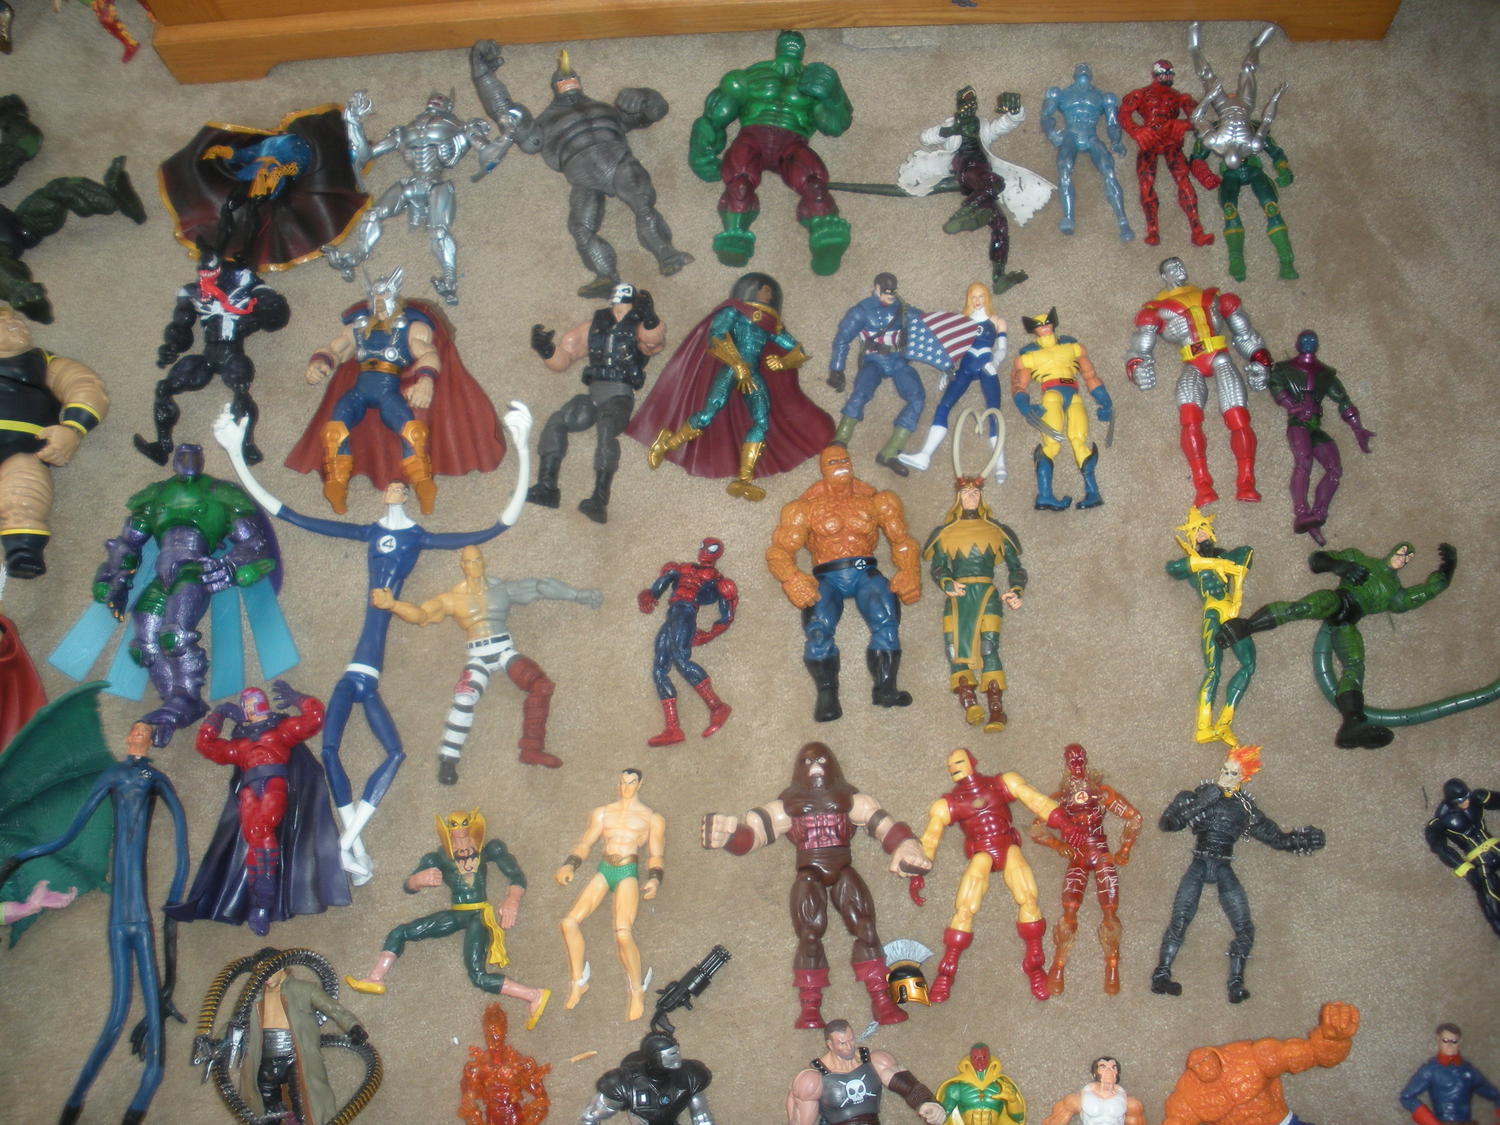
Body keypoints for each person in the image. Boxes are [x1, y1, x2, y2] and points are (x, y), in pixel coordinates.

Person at [213, 402, 530, 882]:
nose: (394, 486)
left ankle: (346, 846)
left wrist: (523, 449)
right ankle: (352, 846)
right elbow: (288, 513)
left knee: (388, 753)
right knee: (335, 752)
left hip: (366, 667)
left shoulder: (418, 538)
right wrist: (236, 455)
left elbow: (497, 526)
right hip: (361, 670)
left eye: (402, 482)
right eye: (390, 483)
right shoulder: (368, 531)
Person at [0, 721, 190, 1125]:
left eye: (143, 732)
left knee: (154, 1048)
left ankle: (134, 1104)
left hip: (140, 917)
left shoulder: (155, 778)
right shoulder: (114, 775)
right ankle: (74, 1104)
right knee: (116, 1016)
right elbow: (69, 833)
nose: (137, 736)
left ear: (149, 740)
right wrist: (23, 856)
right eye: (134, 731)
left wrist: (176, 896)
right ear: (128, 737)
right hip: (121, 918)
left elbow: (181, 840)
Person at [702, 742, 931, 1029]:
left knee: (866, 929)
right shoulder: (786, 808)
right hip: (808, 871)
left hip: (843, 868)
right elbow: (753, 836)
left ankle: (881, 999)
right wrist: (730, 836)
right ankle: (810, 1007)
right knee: (809, 935)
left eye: (821, 761)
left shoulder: (853, 802)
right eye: (808, 762)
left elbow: (884, 825)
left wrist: (906, 845)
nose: (815, 768)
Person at [471, 43, 693, 297]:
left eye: (571, 77)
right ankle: (606, 276)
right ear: (554, 87)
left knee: (644, 206)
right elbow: (505, 113)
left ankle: (667, 254)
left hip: (619, 160)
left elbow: (654, 112)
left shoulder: (607, 110)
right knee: (581, 228)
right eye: (561, 80)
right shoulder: (543, 124)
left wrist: (645, 96)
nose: (567, 79)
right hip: (583, 178)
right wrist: (483, 75)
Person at [374, 544, 601, 783]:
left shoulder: (501, 590)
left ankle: (531, 750)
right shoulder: (452, 599)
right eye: (469, 561)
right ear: (462, 565)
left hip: (504, 650)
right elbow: (421, 614)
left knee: (541, 685)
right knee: (463, 700)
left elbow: (540, 587)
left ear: (484, 562)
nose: (474, 565)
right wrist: (393, 605)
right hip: (478, 656)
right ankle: (448, 761)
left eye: (478, 560)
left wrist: (578, 595)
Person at [293, 266, 503, 515]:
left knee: (413, 433)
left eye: (384, 296)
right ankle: (336, 485)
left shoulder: (411, 327)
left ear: (394, 297)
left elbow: (428, 354)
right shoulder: (358, 327)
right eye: (375, 296)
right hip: (359, 391)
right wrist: (320, 363)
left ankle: (423, 484)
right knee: (334, 432)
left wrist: (425, 381)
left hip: (388, 391)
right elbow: (336, 350)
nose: (379, 302)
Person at [1216, 540, 1455, 749]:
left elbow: (1425, 593)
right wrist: (1341, 566)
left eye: (1408, 558)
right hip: (1337, 600)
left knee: (1355, 664)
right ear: (1394, 550)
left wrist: (1448, 568)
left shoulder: (1394, 592)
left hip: (1348, 623)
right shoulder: (1360, 559)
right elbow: (1317, 560)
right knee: (1302, 607)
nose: (1403, 558)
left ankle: (1352, 722)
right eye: (1402, 552)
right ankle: (1245, 627)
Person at [1151, 745, 1325, 1003]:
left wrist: (1302, 841)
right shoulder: (1198, 795)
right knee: (1180, 918)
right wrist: (1202, 802)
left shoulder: (1246, 810)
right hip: (1201, 860)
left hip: (1223, 864)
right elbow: (1169, 823)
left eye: (1233, 773)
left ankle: (1236, 982)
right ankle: (1161, 974)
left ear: (1244, 777)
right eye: (1224, 770)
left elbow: (1277, 838)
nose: (1225, 777)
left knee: (1244, 926)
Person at [345, 808, 551, 1026]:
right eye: (454, 826)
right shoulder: (438, 857)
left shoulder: (488, 849)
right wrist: (418, 879)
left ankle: (534, 995)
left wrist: (512, 899)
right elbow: (409, 886)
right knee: (400, 932)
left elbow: (516, 875)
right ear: (447, 830)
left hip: (479, 914)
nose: (460, 831)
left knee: (478, 976)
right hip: (458, 913)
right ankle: (375, 978)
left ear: (472, 825)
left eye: (464, 825)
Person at [633, 272, 826, 501]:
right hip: (732, 368)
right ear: (752, 290)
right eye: (764, 290)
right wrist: (738, 366)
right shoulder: (734, 311)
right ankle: (666, 444)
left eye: (769, 292)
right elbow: (716, 337)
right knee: (708, 413)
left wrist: (783, 362)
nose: (768, 295)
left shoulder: (771, 323)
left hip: (752, 373)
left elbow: (799, 351)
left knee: (761, 421)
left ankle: (744, 478)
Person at [767, 445, 922, 722]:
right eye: (832, 462)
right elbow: (779, 551)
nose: (840, 465)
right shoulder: (804, 508)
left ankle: (886, 687)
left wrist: (910, 570)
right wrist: (792, 578)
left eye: (844, 460)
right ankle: (827, 694)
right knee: (818, 629)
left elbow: (902, 541)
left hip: (865, 571)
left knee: (887, 619)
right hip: (827, 575)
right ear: (822, 469)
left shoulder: (877, 501)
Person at [689, 30, 853, 274]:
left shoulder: (812, 81)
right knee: (739, 186)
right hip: (752, 138)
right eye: (787, 40)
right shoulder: (750, 77)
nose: (792, 43)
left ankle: (825, 236)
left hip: (793, 142)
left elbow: (835, 125)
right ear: (778, 46)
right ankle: (734, 237)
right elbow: (715, 115)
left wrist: (834, 95)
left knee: (815, 187)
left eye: (797, 42)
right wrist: (702, 152)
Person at [920, 747, 1068, 1001]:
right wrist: (918, 870)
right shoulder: (949, 803)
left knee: (1028, 897)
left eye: (958, 761)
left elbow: (1036, 800)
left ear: (972, 761)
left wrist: (1065, 824)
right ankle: (946, 971)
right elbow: (931, 837)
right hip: (982, 851)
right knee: (965, 906)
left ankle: (1035, 966)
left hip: (1007, 846)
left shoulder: (1001, 784)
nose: (953, 767)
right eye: (950, 765)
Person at [1126, 256, 1272, 507]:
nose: (1179, 269)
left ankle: (1247, 481)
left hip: (1220, 357)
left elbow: (1245, 333)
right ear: (1164, 276)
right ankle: (1202, 485)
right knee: (1189, 419)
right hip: (1192, 361)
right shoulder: (1156, 310)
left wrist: (1261, 360)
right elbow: (1139, 348)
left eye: (1180, 265)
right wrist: (1137, 368)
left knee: (1238, 417)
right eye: (1172, 268)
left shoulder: (1213, 298)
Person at [135, 247, 287, 468]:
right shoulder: (192, 292)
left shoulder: (246, 284)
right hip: (207, 355)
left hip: (233, 352)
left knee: (241, 393)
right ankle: (162, 445)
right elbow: (181, 327)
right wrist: (172, 346)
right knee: (164, 388)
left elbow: (276, 317)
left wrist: (267, 308)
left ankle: (246, 445)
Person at [528, 283, 667, 522]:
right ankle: (546, 486)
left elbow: (652, 342)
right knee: (558, 420)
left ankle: (599, 500)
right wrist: (547, 350)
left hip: (619, 395)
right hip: (593, 394)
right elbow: (566, 355)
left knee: (606, 427)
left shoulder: (639, 326)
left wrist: (650, 318)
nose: (620, 306)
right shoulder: (594, 326)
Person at [0, 300, 108, 577]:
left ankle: (23, 550)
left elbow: (83, 385)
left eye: (15, 319)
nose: (16, 324)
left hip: (21, 448)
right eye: (4, 322)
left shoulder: (42, 362)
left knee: (24, 491)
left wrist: (73, 428)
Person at [1028, 744, 1142, 996]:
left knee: (1110, 912)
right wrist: (1058, 845)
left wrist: (1125, 848)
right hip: (1078, 856)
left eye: (1080, 758)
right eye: (1072, 760)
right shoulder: (1059, 799)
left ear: (1085, 760)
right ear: (1067, 763)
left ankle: (1112, 966)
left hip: (1101, 853)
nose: (1077, 763)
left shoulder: (1100, 793)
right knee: (1069, 912)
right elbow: (1036, 829)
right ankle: (1058, 965)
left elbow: (1134, 816)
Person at [556, 768, 667, 1021]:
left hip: (627, 871)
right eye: (623, 782)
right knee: (568, 923)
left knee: (623, 934)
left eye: (632, 782)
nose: (627, 787)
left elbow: (656, 853)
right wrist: (569, 865)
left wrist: (655, 879)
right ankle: (578, 982)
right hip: (605, 868)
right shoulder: (603, 813)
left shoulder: (651, 818)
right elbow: (585, 843)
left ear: (640, 784)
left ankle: (637, 989)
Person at [923, 467, 1022, 730]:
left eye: (975, 493)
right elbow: (938, 566)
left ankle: (997, 709)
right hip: (958, 596)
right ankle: (970, 702)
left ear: (981, 496)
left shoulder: (997, 531)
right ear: (958, 497)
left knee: (989, 647)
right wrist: (946, 582)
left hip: (987, 594)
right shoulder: (946, 532)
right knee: (954, 649)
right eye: (966, 493)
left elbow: (1016, 567)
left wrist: (1016, 590)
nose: (971, 497)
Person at [1160, 1002, 1359, 1125]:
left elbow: (1312, 1054)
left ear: (1216, 1056)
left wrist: (1332, 1039)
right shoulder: (1188, 1096)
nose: (1202, 1066)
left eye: (1204, 1060)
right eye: (1196, 1066)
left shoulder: (1256, 1057)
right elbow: (1177, 1120)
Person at [1265, 329, 1374, 545]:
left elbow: (1343, 400)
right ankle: (1301, 512)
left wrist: (1357, 428)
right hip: (1298, 424)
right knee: (1303, 462)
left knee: (1334, 469)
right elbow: (1276, 386)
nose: (1308, 343)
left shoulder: (1325, 373)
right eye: (1305, 341)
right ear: (1298, 344)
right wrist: (1293, 406)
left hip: (1314, 426)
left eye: (1311, 341)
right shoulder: (1284, 369)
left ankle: (1317, 514)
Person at [827, 272, 935, 474]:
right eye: (886, 292)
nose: (890, 296)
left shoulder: (903, 309)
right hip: (873, 360)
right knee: (860, 392)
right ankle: (840, 439)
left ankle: (891, 451)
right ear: (876, 288)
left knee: (917, 397)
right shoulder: (861, 311)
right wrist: (837, 368)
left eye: (893, 292)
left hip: (898, 360)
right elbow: (843, 338)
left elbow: (927, 323)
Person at [1167, 506, 1255, 746]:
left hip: (1230, 610)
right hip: (1213, 611)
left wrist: (1234, 573)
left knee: (1249, 664)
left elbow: (1246, 552)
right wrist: (1204, 564)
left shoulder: (1224, 555)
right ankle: (1203, 727)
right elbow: (1173, 568)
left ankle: (1225, 721)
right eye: (1195, 531)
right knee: (1213, 668)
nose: (1200, 534)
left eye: (1203, 528)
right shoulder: (1192, 562)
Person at [639, 538, 736, 746]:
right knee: (659, 669)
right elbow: (664, 581)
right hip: (673, 614)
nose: (705, 551)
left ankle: (717, 706)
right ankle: (672, 728)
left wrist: (710, 634)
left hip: (686, 613)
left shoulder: (718, 581)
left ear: (717, 554)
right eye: (704, 546)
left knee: (681, 660)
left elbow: (727, 615)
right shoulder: (682, 568)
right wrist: (649, 594)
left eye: (712, 548)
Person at [1011, 307, 1110, 511]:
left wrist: (1104, 400)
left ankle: (1093, 492)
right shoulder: (1029, 355)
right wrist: (1024, 405)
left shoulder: (1072, 347)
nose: (1044, 327)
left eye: (1047, 323)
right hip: (1052, 395)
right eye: (1039, 325)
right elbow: (1019, 384)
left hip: (1074, 395)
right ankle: (1045, 495)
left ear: (1053, 323)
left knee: (1079, 440)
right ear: (1033, 329)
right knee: (1051, 442)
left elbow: (1090, 375)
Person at [1117, 60, 1219, 247]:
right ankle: (1152, 230)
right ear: (1155, 74)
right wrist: (1136, 131)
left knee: (1183, 180)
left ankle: (1197, 230)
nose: (1167, 76)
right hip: (1150, 141)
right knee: (1146, 182)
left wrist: (1183, 124)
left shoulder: (1180, 97)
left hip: (1172, 142)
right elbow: (1123, 114)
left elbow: (1200, 120)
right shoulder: (1140, 94)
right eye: (1163, 73)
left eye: (1170, 73)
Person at [787, 1018, 945, 1124]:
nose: (849, 1047)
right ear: (830, 1044)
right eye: (842, 1043)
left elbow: (908, 1086)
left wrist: (926, 1103)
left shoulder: (874, 1060)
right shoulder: (812, 1080)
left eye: (851, 1040)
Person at [1040, 64, 1134, 241]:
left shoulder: (1104, 97)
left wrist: (1116, 141)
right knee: (1064, 169)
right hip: (1071, 135)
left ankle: (1123, 221)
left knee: (1109, 171)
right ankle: (1068, 217)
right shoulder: (1060, 93)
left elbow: (1113, 123)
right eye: (1080, 68)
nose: (1083, 70)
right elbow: (1045, 115)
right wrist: (1051, 134)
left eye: (1086, 68)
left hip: (1091, 135)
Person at [581, 1030, 714, 1124]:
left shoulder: (690, 1076)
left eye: (677, 1052)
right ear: (655, 1057)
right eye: (672, 1055)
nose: (677, 1058)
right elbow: (591, 1117)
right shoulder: (623, 1083)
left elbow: (702, 1117)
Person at [1424, 780, 1500, 938]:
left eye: (1466, 797)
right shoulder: (1441, 820)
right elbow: (1440, 847)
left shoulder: (1476, 798)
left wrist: (1488, 797)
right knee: (1489, 892)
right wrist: (1463, 867)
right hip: (1479, 858)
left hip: (1494, 845)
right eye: (1461, 800)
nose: (1466, 802)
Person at [1400, 1022, 1500, 1125]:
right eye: (1445, 1040)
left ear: (1460, 1042)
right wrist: (1431, 1123)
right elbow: (1406, 1097)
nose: (1449, 1045)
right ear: (1438, 1040)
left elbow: (1495, 1095)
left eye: (1454, 1041)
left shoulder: (1468, 1070)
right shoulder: (1430, 1069)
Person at [936, 1043, 1026, 1125]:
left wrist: (1013, 1101)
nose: (979, 1062)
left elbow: (1018, 1118)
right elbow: (941, 1117)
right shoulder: (956, 1088)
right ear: (970, 1059)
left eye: (983, 1057)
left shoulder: (1002, 1086)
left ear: (989, 1058)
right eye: (975, 1058)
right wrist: (932, 1112)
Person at [1041, 1057, 1146, 1125]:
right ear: (1095, 1073)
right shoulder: (1080, 1099)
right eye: (1103, 1067)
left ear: (1117, 1073)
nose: (1108, 1071)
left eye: (1113, 1067)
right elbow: (1056, 1120)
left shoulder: (1130, 1103)